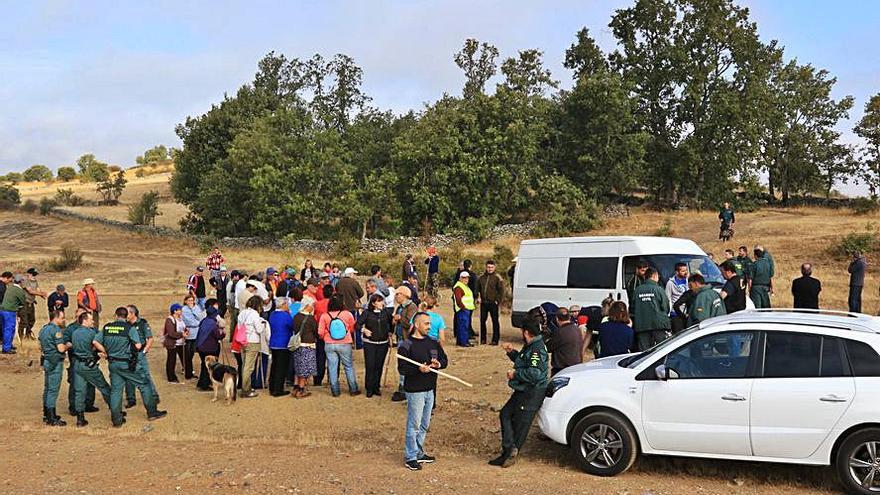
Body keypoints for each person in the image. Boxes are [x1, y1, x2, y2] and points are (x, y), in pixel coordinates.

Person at [489, 317, 548, 468]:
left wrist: (515, 374)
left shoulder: (536, 348)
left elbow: (534, 373)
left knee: (520, 424)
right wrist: (511, 353)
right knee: (506, 414)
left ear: (526, 332)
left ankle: (510, 452)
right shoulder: (530, 345)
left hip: (531, 392)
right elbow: (524, 361)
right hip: (523, 389)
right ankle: (507, 452)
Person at [97, 307, 166, 426]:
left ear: (115, 315)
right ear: (126, 316)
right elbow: (138, 345)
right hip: (127, 363)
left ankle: (117, 420)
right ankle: (152, 412)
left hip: (113, 364)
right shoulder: (130, 328)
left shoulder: (107, 327)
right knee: (144, 384)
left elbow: (95, 342)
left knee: (116, 391)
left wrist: (107, 352)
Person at [398, 312, 448, 471]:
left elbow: (444, 360)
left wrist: (437, 364)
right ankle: (410, 457)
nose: (430, 326)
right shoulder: (406, 344)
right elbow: (402, 368)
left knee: (424, 424)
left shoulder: (433, 342)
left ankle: (419, 452)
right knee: (414, 424)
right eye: (426, 323)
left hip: (430, 389)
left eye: (430, 323)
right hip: (415, 391)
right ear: (417, 325)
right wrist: (418, 369)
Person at [69, 311, 112, 427]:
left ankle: (80, 418)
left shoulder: (75, 332)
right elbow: (97, 343)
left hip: (77, 365)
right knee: (104, 387)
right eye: (90, 319)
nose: (93, 321)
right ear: (84, 320)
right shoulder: (91, 333)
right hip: (88, 365)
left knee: (79, 391)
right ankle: (115, 411)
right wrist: (103, 353)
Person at [318, 294, 360, 397]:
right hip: (345, 343)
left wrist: (325, 337)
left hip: (329, 343)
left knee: (332, 367)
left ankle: (335, 390)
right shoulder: (347, 314)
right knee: (348, 366)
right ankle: (353, 389)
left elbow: (320, 332)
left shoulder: (325, 315)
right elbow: (352, 328)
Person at [124, 305, 160, 408]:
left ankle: (153, 395)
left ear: (132, 313)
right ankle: (131, 399)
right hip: (129, 354)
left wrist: (144, 351)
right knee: (129, 377)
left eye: (127, 313)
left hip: (140, 353)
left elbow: (150, 338)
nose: (126, 315)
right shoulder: (125, 325)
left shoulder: (142, 323)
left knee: (145, 374)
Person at [358, 293, 393, 398]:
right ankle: (369, 388)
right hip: (370, 344)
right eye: (378, 301)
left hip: (383, 343)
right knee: (370, 366)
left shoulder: (386, 312)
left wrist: (390, 332)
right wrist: (364, 330)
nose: (381, 303)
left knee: (379, 366)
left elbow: (391, 324)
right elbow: (357, 324)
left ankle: (376, 387)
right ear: (373, 303)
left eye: (381, 300)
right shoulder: (367, 313)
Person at [39, 310, 69, 426]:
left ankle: (47, 413)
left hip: (46, 360)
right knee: (53, 390)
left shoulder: (44, 329)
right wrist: (68, 345)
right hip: (55, 361)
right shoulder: (56, 331)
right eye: (62, 318)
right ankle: (52, 418)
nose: (63, 320)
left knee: (47, 387)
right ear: (56, 318)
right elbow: (61, 349)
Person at [631, 268, 671, 351]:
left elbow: (632, 307)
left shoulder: (637, 290)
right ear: (654, 276)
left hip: (642, 324)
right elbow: (665, 307)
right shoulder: (659, 289)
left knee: (644, 351)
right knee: (661, 349)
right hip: (659, 324)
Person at [391, 285, 418, 402]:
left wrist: (399, 318)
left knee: (404, 362)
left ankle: (404, 389)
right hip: (400, 337)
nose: (396, 296)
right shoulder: (400, 307)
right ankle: (403, 388)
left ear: (405, 295)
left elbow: (410, 323)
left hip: (407, 339)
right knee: (401, 362)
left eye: (398, 294)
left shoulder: (412, 307)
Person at [238, 295, 267, 398]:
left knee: (244, 365)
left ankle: (246, 386)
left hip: (243, 341)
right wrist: (263, 324)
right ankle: (245, 390)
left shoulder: (242, 313)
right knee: (249, 367)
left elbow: (239, 327)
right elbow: (259, 329)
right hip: (253, 341)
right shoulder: (254, 314)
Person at [196, 302, 226, 392]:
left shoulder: (204, 321)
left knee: (203, 365)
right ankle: (205, 384)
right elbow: (218, 336)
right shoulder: (213, 324)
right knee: (209, 366)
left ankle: (201, 383)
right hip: (210, 348)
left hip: (201, 347)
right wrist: (223, 333)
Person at [292, 296, 319, 398]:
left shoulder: (296, 316)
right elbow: (316, 332)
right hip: (308, 345)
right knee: (305, 369)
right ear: (308, 306)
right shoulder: (311, 319)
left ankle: (296, 387)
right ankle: (301, 389)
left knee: (298, 367)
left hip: (298, 345)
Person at [268, 297, 294, 397]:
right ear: (283, 305)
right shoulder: (286, 316)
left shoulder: (272, 314)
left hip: (274, 343)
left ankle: (272, 387)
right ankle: (278, 389)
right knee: (281, 367)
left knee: (274, 366)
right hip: (283, 343)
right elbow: (291, 326)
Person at [545, 308, 583, 376]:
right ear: (569, 317)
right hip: (576, 368)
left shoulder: (560, 332)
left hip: (561, 370)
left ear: (557, 319)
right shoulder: (577, 329)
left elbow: (548, 347)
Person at [477, 260, 504, 346]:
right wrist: (478, 297)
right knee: (482, 321)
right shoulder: (481, 277)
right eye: (488, 267)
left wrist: (498, 301)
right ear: (486, 267)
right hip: (483, 303)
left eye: (491, 267)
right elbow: (477, 289)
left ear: (494, 267)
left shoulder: (497, 277)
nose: (490, 269)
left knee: (495, 321)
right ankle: (483, 339)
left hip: (493, 303)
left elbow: (501, 291)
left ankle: (495, 340)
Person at [0, 274, 27, 354]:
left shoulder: (9, 287)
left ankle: (8, 345)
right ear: (20, 282)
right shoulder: (19, 290)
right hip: (9, 311)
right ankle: (6, 349)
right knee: (9, 329)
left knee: (6, 329)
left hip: (2, 310)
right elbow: (22, 302)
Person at [181, 294, 204, 380]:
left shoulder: (196, 307)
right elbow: (189, 321)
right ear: (185, 301)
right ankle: (188, 373)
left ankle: (190, 371)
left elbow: (200, 317)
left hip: (197, 333)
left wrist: (193, 309)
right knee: (188, 354)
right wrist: (198, 322)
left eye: (192, 300)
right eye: (189, 300)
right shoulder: (184, 309)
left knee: (192, 353)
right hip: (189, 333)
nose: (191, 302)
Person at [162, 304, 186, 383]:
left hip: (180, 342)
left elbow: (183, 327)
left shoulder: (180, 318)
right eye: (179, 309)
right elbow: (171, 333)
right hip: (172, 343)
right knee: (171, 360)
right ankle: (171, 377)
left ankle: (186, 371)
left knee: (183, 357)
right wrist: (181, 334)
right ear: (175, 311)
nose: (181, 311)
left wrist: (186, 331)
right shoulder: (170, 320)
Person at [452, 272, 476, 347]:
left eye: (467, 278)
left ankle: (461, 341)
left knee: (463, 326)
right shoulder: (459, 287)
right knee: (463, 326)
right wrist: (463, 307)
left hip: (466, 309)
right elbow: (458, 299)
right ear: (460, 278)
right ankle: (463, 342)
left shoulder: (464, 286)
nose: (466, 279)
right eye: (464, 278)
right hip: (463, 309)